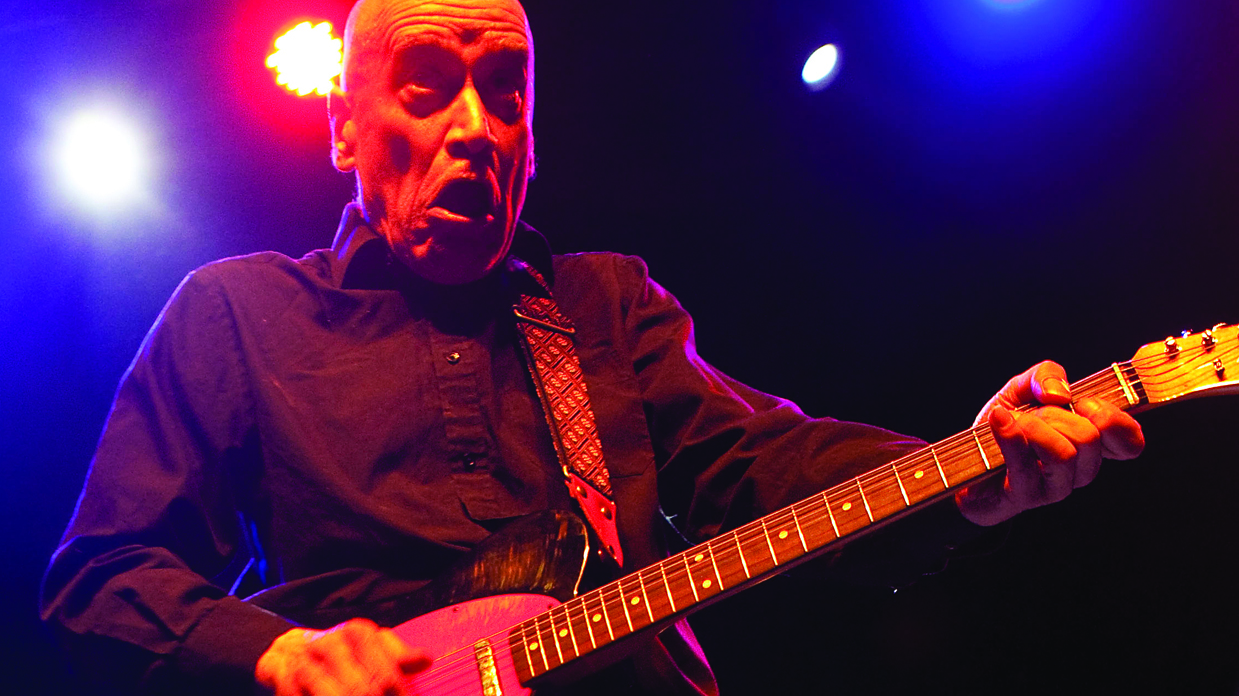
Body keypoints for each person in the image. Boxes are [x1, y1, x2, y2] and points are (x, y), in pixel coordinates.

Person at [40, 0, 1145, 694]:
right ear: (344, 126)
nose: (475, 125)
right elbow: (102, 580)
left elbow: (766, 468)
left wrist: (967, 471)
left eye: (506, 93)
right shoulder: (236, 313)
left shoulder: (600, 306)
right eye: (429, 87)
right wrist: (279, 654)